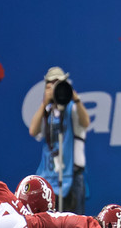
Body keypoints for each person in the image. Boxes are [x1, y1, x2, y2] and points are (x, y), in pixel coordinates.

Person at [29, 66, 90, 214]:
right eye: (52, 85)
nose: (56, 88)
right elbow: (33, 131)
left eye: (59, 84)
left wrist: (76, 99)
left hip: (73, 176)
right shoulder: (47, 112)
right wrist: (44, 103)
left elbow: (85, 122)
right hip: (50, 176)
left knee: (75, 225)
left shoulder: (73, 108)